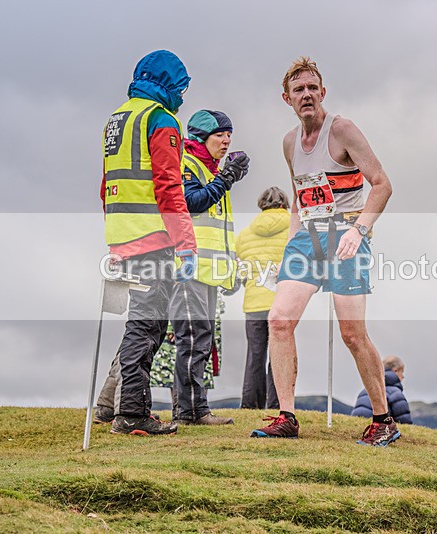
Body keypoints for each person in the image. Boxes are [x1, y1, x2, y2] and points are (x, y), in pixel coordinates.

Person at [251, 57, 398, 446]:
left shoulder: (343, 130)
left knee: (352, 333)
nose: (307, 95)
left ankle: (383, 419)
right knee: (279, 321)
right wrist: (291, 242)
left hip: (347, 233)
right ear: (287, 98)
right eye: (299, 90)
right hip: (307, 238)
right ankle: (286, 416)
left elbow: (382, 184)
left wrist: (359, 231)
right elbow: (300, 196)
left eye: (313, 88)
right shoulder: (289, 143)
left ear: (323, 92)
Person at [99, 50, 197, 436]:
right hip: (154, 237)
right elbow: (170, 187)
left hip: (124, 237)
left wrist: (114, 240)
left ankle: (130, 407)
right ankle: (131, 413)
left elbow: (106, 186)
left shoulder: (118, 119)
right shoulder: (161, 119)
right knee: (147, 323)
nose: (184, 96)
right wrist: (186, 244)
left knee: (144, 321)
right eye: (182, 87)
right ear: (169, 83)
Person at [170, 109, 249, 426]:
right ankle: (190, 412)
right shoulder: (187, 164)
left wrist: (231, 273)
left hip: (208, 273)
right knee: (193, 339)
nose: (227, 140)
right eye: (221, 134)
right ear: (201, 137)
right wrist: (227, 177)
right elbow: (194, 202)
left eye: (230, 134)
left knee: (202, 340)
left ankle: (195, 409)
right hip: (188, 269)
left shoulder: (211, 168)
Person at [235, 187, 290, 409]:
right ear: (284, 204)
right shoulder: (294, 228)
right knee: (280, 354)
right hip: (283, 301)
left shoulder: (245, 235)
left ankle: (250, 404)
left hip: (253, 302)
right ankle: (277, 404)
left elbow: (240, 266)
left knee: (255, 355)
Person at [351, 356, 413, 424]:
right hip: (377, 428)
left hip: (357, 426)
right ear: (395, 371)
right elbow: (404, 422)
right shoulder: (395, 393)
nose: (403, 376)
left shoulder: (365, 391)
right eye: (402, 372)